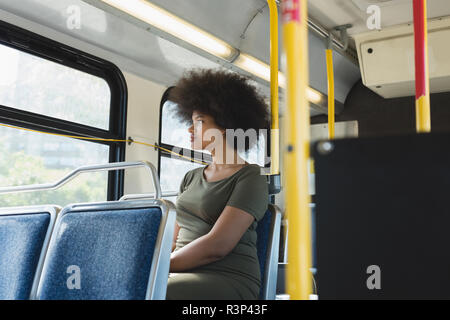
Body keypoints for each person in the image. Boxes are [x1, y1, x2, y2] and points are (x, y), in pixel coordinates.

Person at [165, 69, 270, 300]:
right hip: (181, 271)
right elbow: (174, 238)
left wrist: (163, 267)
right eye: (191, 122)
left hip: (228, 277)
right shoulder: (190, 178)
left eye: (199, 122)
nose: (190, 129)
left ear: (225, 124)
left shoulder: (250, 177)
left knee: (157, 293)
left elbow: (218, 245)